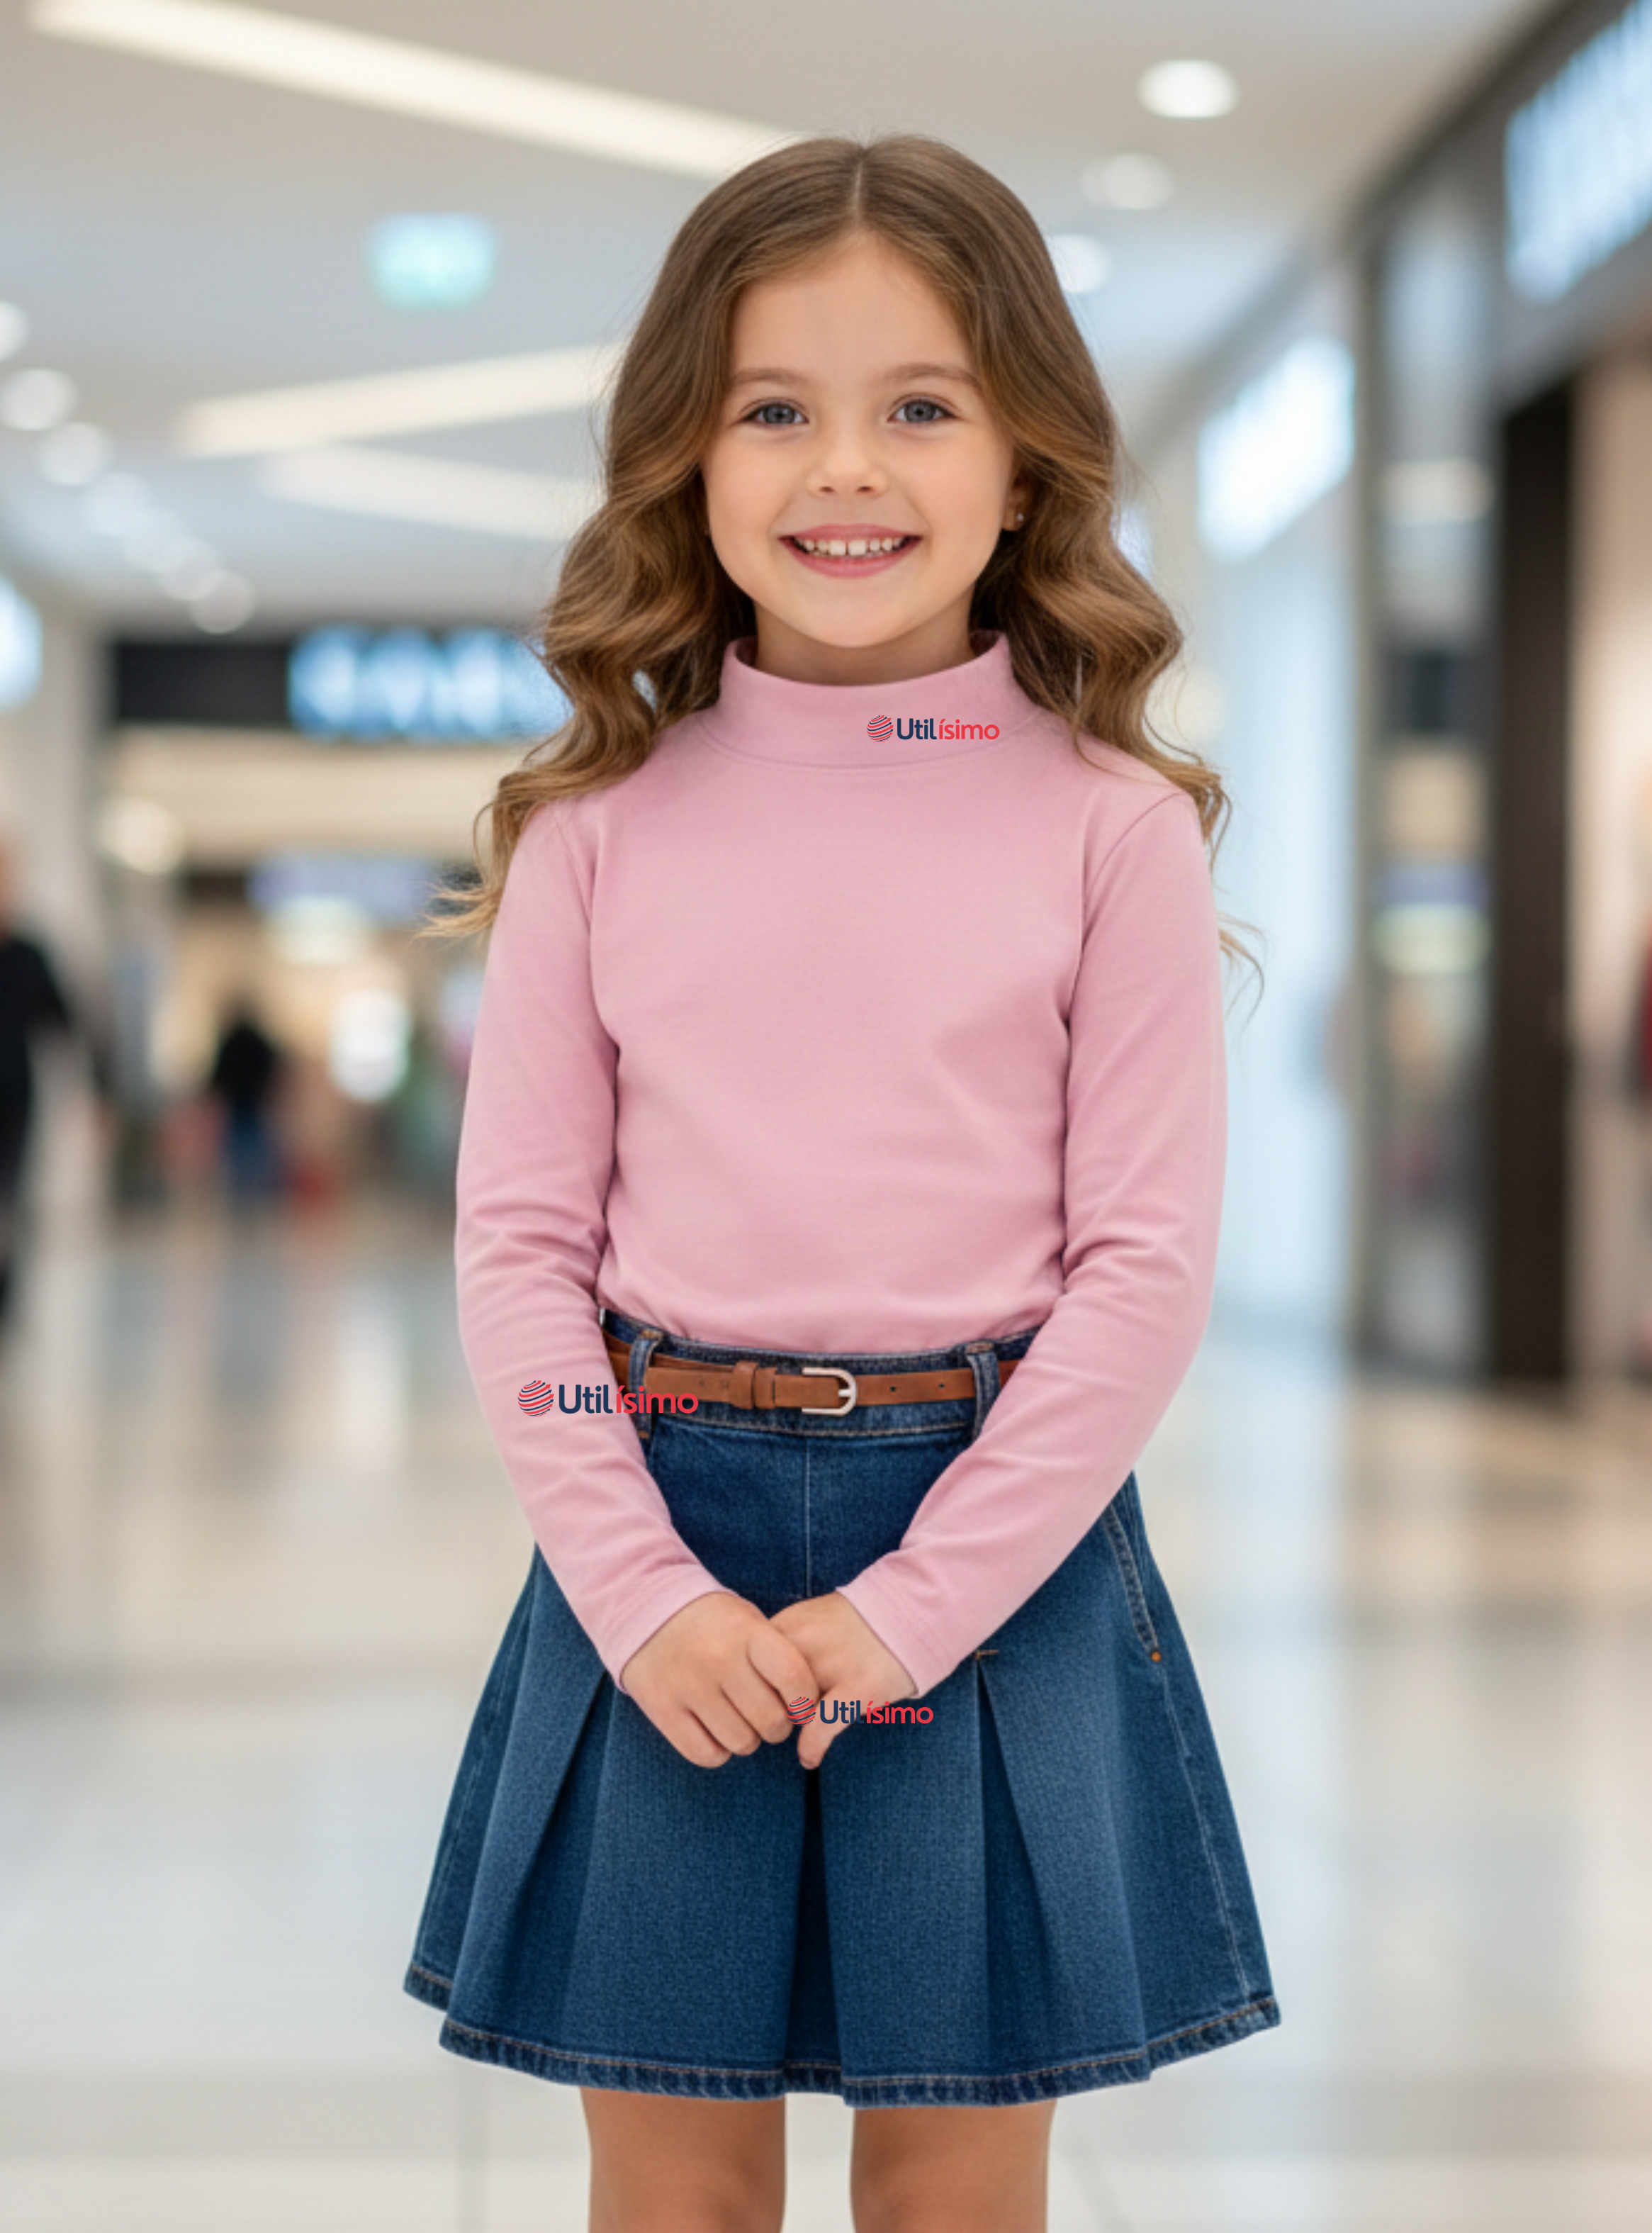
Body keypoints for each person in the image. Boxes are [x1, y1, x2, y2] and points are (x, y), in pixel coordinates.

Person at [405, 135, 1279, 2233]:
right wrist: (639, 1593)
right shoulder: (599, 824)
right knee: (676, 2183)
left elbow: (1141, 1274)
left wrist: (911, 1605)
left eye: (920, 405)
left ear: (1027, 455)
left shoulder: (1112, 828)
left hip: (1001, 1546)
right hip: (658, 1537)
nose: (843, 471)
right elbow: (520, 1252)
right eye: (772, 409)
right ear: (684, 460)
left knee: (956, 2191)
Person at [0, 834, 112, 1333]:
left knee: (9, 1206)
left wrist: (99, 1093)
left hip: (11, 1104)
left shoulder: (28, 955)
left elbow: (72, 1028)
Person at [205, 997, 286, 1207]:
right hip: (255, 1103)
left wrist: (213, 1092)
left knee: (240, 1151)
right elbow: (274, 1072)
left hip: (239, 1103)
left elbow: (218, 1075)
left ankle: (242, 1194)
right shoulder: (260, 1042)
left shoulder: (230, 1041)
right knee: (256, 1150)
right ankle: (258, 1192)